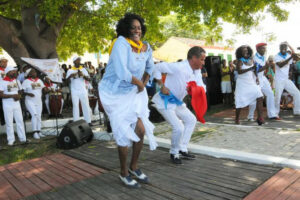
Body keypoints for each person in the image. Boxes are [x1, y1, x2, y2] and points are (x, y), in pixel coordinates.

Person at [99, 13, 157, 188]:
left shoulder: (145, 47)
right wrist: (140, 83)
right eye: (133, 27)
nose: (137, 30)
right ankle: (123, 173)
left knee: (140, 130)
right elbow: (122, 72)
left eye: (139, 27)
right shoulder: (121, 43)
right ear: (126, 29)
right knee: (124, 134)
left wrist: (144, 83)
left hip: (134, 91)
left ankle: (134, 167)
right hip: (114, 94)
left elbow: (150, 67)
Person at [152, 46, 206, 164]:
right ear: (193, 58)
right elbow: (156, 67)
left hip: (177, 102)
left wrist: (195, 90)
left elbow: (202, 87)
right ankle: (174, 152)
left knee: (191, 120)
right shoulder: (178, 67)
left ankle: (182, 148)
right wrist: (162, 85)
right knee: (179, 127)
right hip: (164, 102)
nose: (203, 62)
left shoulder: (196, 72)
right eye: (202, 59)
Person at [247, 43, 279, 121]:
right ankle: (250, 116)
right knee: (255, 98)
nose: (264, 50)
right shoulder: (254, 58)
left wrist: (266, 71)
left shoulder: (263, 57)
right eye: (262, 48)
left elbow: (264, 69)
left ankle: (272, 114)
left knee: (270, 94)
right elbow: (256, 70)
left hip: (263, 78)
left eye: (265, 48)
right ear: (257, 49)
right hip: (256, 78)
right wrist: (266, 66)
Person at [234, 45, 264, 125]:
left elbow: (254, 70)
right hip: (242, 83)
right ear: (240, 52)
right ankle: (237, 118)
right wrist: (250, 69)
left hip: (251, 82)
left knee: (260, 96)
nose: (245, 51)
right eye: (243, 50)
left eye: (246, 50)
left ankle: (259, 117)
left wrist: (256, 77)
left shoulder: (251, 60)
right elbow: (239, 72)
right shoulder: (239, 61)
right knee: (240, 102)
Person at [0, 66, 27, 146]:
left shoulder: (17, 81)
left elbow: (21, 91)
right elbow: (0, 95)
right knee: (9, 122)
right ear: (7, 73)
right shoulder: (2, 82)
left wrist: (19, 95)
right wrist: (12, 96)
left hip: (17, 104)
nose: (14, 72)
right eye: (12, 71)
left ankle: (23, 138)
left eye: (14, 71)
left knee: (20, 121)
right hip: (7, 104)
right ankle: (11, 140)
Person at [274, 42, 300, 116]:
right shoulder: (277, 56)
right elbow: (280, 65)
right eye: (282, 47)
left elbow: (296, 59)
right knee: (278, 96)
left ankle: (297, 111)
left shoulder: (288, 55)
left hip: (286, 79)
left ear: (286, 48)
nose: (283, 49)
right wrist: (291, 57)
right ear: (279, 48)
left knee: (297, 93)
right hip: (279, 80)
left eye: (285, 47)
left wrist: (294, 55)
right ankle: (275, 113)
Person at [22, 68, 46, 139]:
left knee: (39, 116)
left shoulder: (39, 80)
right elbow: (21, 91)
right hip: (30, 101)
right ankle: (34, 132)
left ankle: (39, 131)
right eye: (32, 72)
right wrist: (28, 94)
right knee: (34, 115)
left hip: (39, 101)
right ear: (29, 74)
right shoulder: (26, 81)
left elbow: (43, 89)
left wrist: (46, 89)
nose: (35, 73)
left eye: (35, 72)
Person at [66, 57, 92, 124]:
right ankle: (76, 122)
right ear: (74, 61)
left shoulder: (83, 69)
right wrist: (70, 76)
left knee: (85, 105)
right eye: (77, 60)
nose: (79, 61)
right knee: (75, 105)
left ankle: (88, 121)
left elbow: (89, 79)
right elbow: (66, 81)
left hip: (83, 90)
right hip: (74, 90)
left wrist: (83, 76)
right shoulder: (70, 70)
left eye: (79, 60)